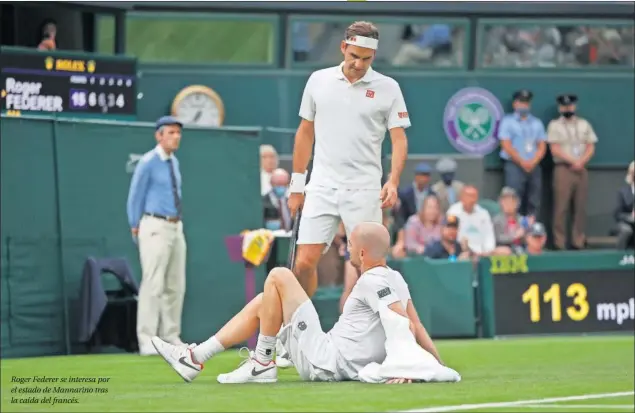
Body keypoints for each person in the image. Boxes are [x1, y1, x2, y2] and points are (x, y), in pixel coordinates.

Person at [151, 222, 444, 384]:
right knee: (266, 300)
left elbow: (399, 323)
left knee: (279, 275)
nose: (348, 249)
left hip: (325, 361)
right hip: (329, 355)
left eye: (352, 246)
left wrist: (407, 368)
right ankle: (195, 358)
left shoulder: (371, 281)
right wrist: (435, 362)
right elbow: (415, 325)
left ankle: (263, 362)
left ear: (364, 253)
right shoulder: (396, 279)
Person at [287, 21, 410, 300]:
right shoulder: (318, 80)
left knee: (368, 267)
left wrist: (393, 180)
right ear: (343, 47)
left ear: (374, 57)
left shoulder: (388, 88)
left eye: (366, 59)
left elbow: (399, 139)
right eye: (354, 56)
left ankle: (376, 333)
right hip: (321, 186)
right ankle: (304, 329)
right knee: (303, 263)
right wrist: (297, 185)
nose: (358, 63)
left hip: (365, 190)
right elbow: (305, 134)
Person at [127, 116, 187, 356]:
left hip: (175, 227)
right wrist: (135, 225)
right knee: (153, 283)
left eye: (178, 133)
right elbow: (135, 195)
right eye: (171, 132)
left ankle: (170, 335)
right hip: (154, 225)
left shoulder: (174, 162)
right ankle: (147, 340)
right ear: (159, 135)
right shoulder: (148, 162)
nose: (176, 137)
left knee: (176, 285)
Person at [547, 94, 598, 250]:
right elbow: (554, 149)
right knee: (561, 207)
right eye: (564, 106)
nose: (567, 108)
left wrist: (581, 161)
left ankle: (578, 241)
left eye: (570, 106)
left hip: (582, 168)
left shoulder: (584, 124)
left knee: (580, 206)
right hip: (563, 168)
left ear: (574, 106)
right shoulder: (554, 125)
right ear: (560, 108)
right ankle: (559, 243)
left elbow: (591, 146)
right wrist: (572, 161)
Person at [498, 89, 547, 218]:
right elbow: (506, 144)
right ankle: (513, 232)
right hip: (514, 165)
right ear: (515, 104)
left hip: (534, 166)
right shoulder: (507, 122)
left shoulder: (537, 123)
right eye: (521, 102)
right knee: (513, 200)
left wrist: (534, 161)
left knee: (534, 200)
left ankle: (532, 232)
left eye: (526, 103)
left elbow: (542, 145)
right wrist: (522, 161)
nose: (523, 105)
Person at [447, 185, 511, 256]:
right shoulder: (452, 212)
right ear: (461, 198)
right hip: (463, 252)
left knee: (505, 251)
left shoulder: (483, 213)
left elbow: (489, 236)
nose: (472, 199)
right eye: (469, 196)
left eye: (474, 196)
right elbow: (450, 234)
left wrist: (488, 251)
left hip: (482, 252)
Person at [492, 187, 531, 254]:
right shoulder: (496, 220)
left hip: (521, 249)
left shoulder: (522, 219)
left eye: (511, 202)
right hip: (503, 250)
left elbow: (527, 239)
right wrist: (515, 236)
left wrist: (527, 231)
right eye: (505, 202)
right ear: (501, 203)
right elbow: (497, 238)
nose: (508, 205)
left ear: (516, 204)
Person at [614, 161, 635, 249]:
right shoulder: (623, 192)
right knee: (626, 230)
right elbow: (618, 214)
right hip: (626, 223)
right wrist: (631, 217)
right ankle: (619, 257)